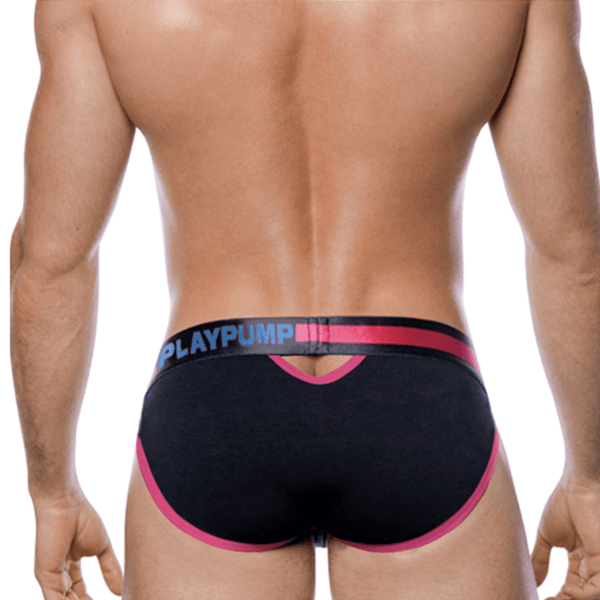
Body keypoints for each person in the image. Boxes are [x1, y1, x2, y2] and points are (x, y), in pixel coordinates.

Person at [9, 0, 600, 599]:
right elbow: (573, 255)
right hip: (416, 392)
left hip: (215, 395)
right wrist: (590, 480)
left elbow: (52, 264)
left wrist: (52, 491)